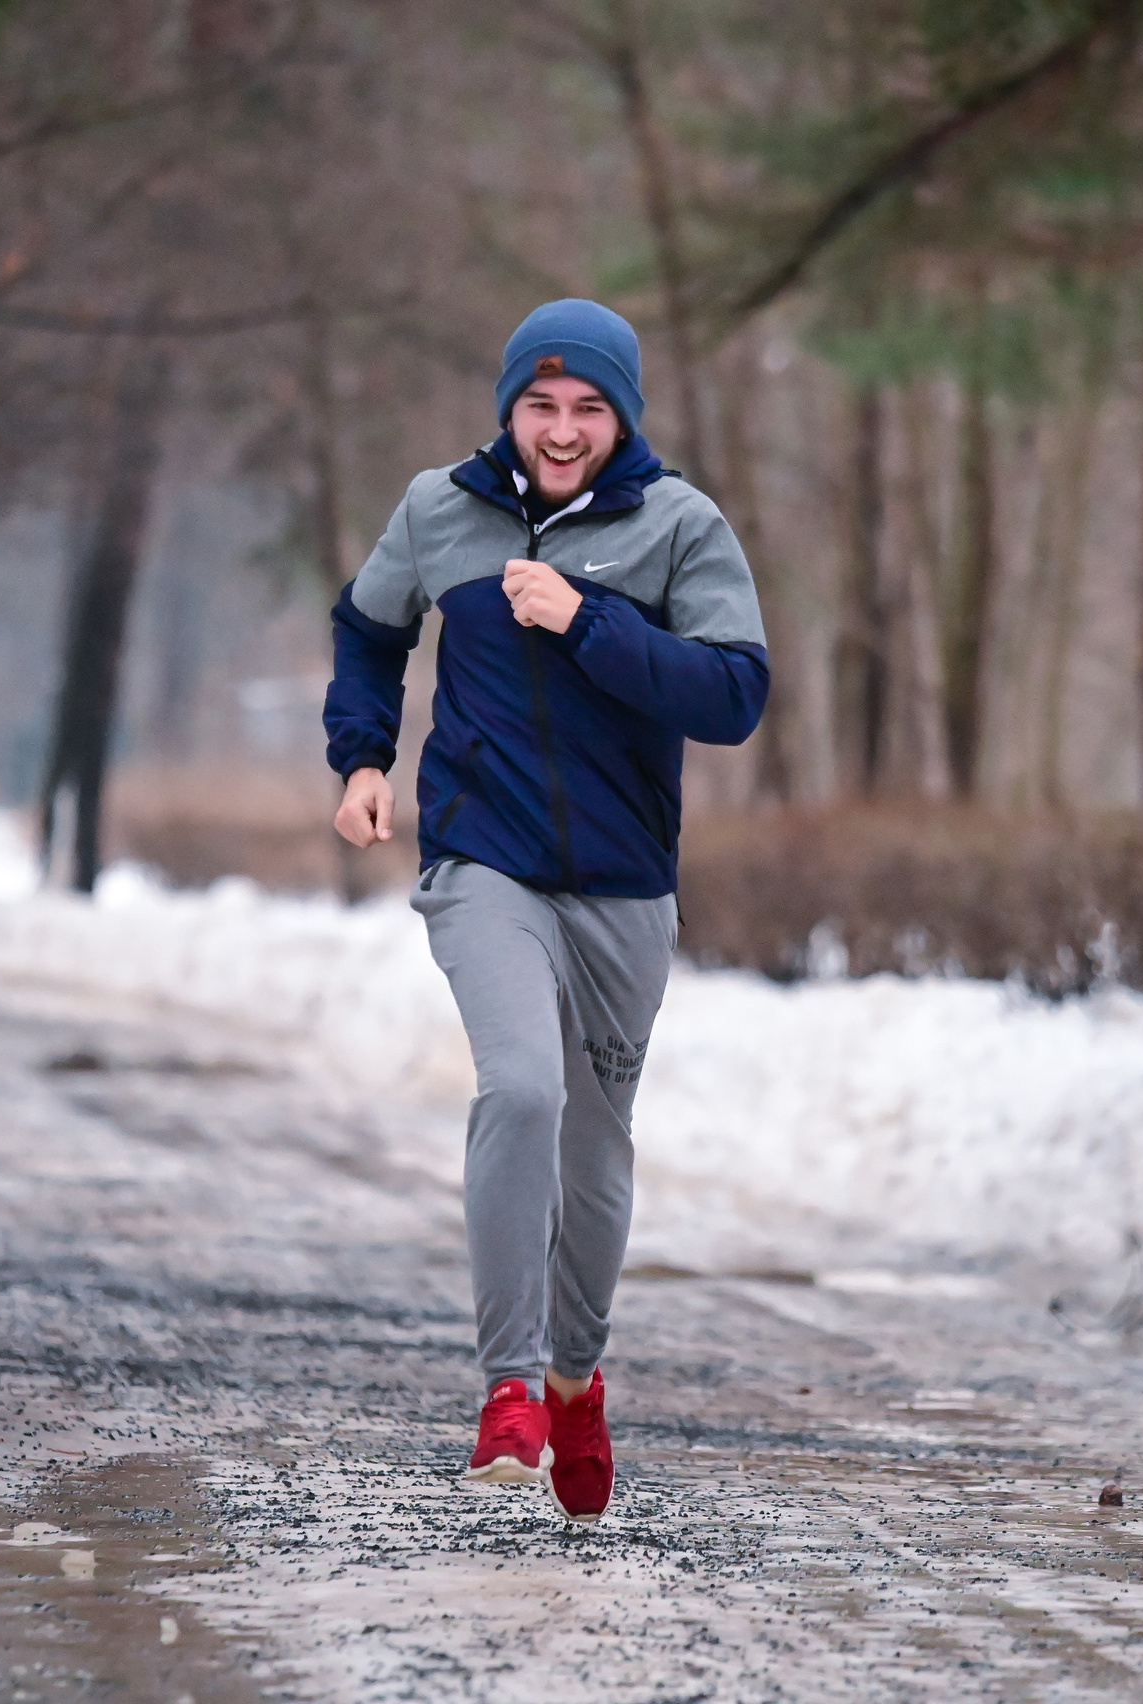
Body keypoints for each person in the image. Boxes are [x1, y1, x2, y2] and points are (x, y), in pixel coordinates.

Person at [322, 299, 770, 1522]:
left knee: (596, 1143)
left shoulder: (677, 526)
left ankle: (576, 1380)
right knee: (522, 1087)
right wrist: (362, 759)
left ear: (621, 414)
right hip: (485, 861)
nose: (562, 431)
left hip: (624, 883)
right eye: (540, 406)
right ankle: (509, 1388)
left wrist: (591, 624)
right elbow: (367, 631)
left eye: (587, 409)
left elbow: (733, 694)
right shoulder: (439, 509)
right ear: (508, 407)